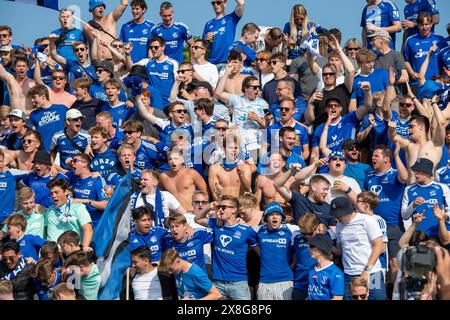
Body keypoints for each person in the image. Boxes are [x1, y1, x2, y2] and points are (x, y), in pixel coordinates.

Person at [194, 195, 257, 300]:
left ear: (234, 209)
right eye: (219, 207)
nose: (220, 210)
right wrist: (209, 207)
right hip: (218, 283)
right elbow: (197, 219)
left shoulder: (247, 230)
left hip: (239, 283)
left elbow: (259, 251)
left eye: (224, 207)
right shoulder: (216, 224)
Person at [364, 144, 407, 282]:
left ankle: (395, 295)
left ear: (386, 159)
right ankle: (377, 292)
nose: (372, 158)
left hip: (393, 225)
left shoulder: (395, 174)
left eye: (376, 156)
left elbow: (405, 178)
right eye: (372, 156)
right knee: (374, 261)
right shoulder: (369, 175)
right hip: (373, 225)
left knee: (395, 264)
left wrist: (396, 156)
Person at [332, 197, 386, 300]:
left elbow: (379, 245)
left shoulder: (367, 220)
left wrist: (367, 270)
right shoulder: (339, 225)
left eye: (338, 215)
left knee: (378, 298)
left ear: (347, 211)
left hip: (373, 272)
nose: (336, 218)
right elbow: (339, 251)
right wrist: (321, 240)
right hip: (350, 274)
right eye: (335, 215)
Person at [388, 104, 446, 184]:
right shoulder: (408, 145)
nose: (408, 130)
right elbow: (393, 137)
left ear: (421, 126)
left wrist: (433, 103)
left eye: (412, 126)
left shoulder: (435, 144)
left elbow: (442, 123)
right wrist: (391, 129)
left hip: (429, 191)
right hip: (411, 191)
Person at [216, 75, 267, 159]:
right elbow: (218, 93)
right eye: (255, 87)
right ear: (246, 88)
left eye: (259, 87)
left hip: (255, 144)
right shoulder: (236, 100)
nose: (257, 89)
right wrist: (227, 72)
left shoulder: (263, 103)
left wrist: (257, 119)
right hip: (239, 143)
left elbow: (265, 126)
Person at [311, 96, 370, 168]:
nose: (333, 107)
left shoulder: (350, 119)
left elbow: (367, 106)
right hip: (326, 168)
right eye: (330, 106)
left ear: (340, 108)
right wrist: (313, 172)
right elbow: (314, 155)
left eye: (336, 105)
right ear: (326, 109)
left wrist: (367, 91)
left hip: (347, 166)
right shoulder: (319, 129)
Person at [256, 202, 298, 300]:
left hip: (285, 280)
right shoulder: (259, 230)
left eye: (278, 214)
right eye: (271, 214)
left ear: (282, 218)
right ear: (266, 218)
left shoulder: (291, 229)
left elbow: (308, 229)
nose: (275, 217)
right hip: (265, 281)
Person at [402, 158, 450, 238]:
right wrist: (413, 204)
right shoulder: (408, 189)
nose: (415, 174)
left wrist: (442, 216)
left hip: (438, 236)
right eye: (415, 171)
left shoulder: (442, 188)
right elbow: (404, 216)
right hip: (418, 237)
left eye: (419, 171)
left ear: (428, 172)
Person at [45, 178, 93, 249]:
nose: (53, 196)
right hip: (51, 253)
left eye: (56, 192)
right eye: (51, 193)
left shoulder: (78, 207)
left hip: (69, 253)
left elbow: (88, 229)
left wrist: (83, 249)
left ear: (66, 192)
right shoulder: (49, 210)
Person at [63, 153, 108, 230]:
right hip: (79, 224)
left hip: (96, 225)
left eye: (75, 161)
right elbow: (59, 171)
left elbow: (105, 205)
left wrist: (86, 201)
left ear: (84, 164)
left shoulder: (97, 180)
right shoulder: (73, 177)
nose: (72, 163)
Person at [403, 12, 447, 88]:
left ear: (431, 24)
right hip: (417, 83)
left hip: (436, 83)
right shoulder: (410, 40)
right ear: (418, 25)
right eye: (421, 25)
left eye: (426, 24)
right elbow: (405, 60)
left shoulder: (440, 40)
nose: (424, 27)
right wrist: (411, 73)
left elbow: (446, 61)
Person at [292, 213, 328, 300]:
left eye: (310, 233)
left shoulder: (325, 237)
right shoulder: (297, 238)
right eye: (304, 233)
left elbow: (335, 253)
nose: (307, 236)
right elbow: (295, 256)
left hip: (319, 284)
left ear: (317, 228)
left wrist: (320, 237)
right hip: (300, 284)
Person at [136, 35, 178, 108]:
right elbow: (132, 67)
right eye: (151, 47)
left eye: (156, 47)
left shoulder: (173, 63)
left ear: (163, 47)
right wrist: (128, 54)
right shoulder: (147, 62)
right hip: (152, 104)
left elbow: (177, 83)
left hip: (168, 104)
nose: (153, 49)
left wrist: (173, 101)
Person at [208, 135, 252, 201]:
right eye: (230, 148)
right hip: (223, 206)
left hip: (239, 206)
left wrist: (241, 176)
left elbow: (248, 189)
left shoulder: (245, 167)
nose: (233, 150)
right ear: (224, 148)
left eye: (236, 148)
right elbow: (214, 195)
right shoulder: (214, 168)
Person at [202, 0, 245, 68]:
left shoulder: (231, 18)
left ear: (225, 4)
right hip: (211, 63)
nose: (216, 5)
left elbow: (242, 3)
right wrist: (206, 39)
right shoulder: (209, 23)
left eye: (218, 2)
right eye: (213, 3)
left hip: (226, 62)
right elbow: (204, 47)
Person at [27, 84, 67, 152]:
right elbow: (33, 134)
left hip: (62, 149)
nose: (32, 100)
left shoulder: (62, 109)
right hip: (45, 151)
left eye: (34, 97)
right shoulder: (33, 114)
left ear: (43, 96)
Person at [307, 233, 344, 300]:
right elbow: (311, 295)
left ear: (321, 249)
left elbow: (338, 298)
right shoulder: (311, 269)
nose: (309, 248)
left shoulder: (335, 272)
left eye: (312, 246)